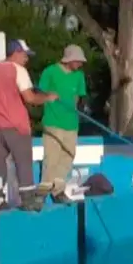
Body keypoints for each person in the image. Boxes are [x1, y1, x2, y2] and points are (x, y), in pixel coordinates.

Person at [0, 39, 58, 193]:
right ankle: (28, 200)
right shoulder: (19, 70)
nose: (27, 59)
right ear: (16, 53)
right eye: (25, 55)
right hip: (16, 126)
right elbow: (30, 98)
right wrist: (48, 97)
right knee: (24, 166)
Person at [38, 44, 88, 202]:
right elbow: (39, 93)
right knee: (51, 157)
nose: (80, 64)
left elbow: (80, 98)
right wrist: (49, 96)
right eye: (78, 61)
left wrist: (80, 112)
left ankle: (58, 191)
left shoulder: (79, 76)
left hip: (72, 123)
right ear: (69, 59)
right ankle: (42, 193)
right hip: (53, 121)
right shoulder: (50, 72)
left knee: (68, 156)